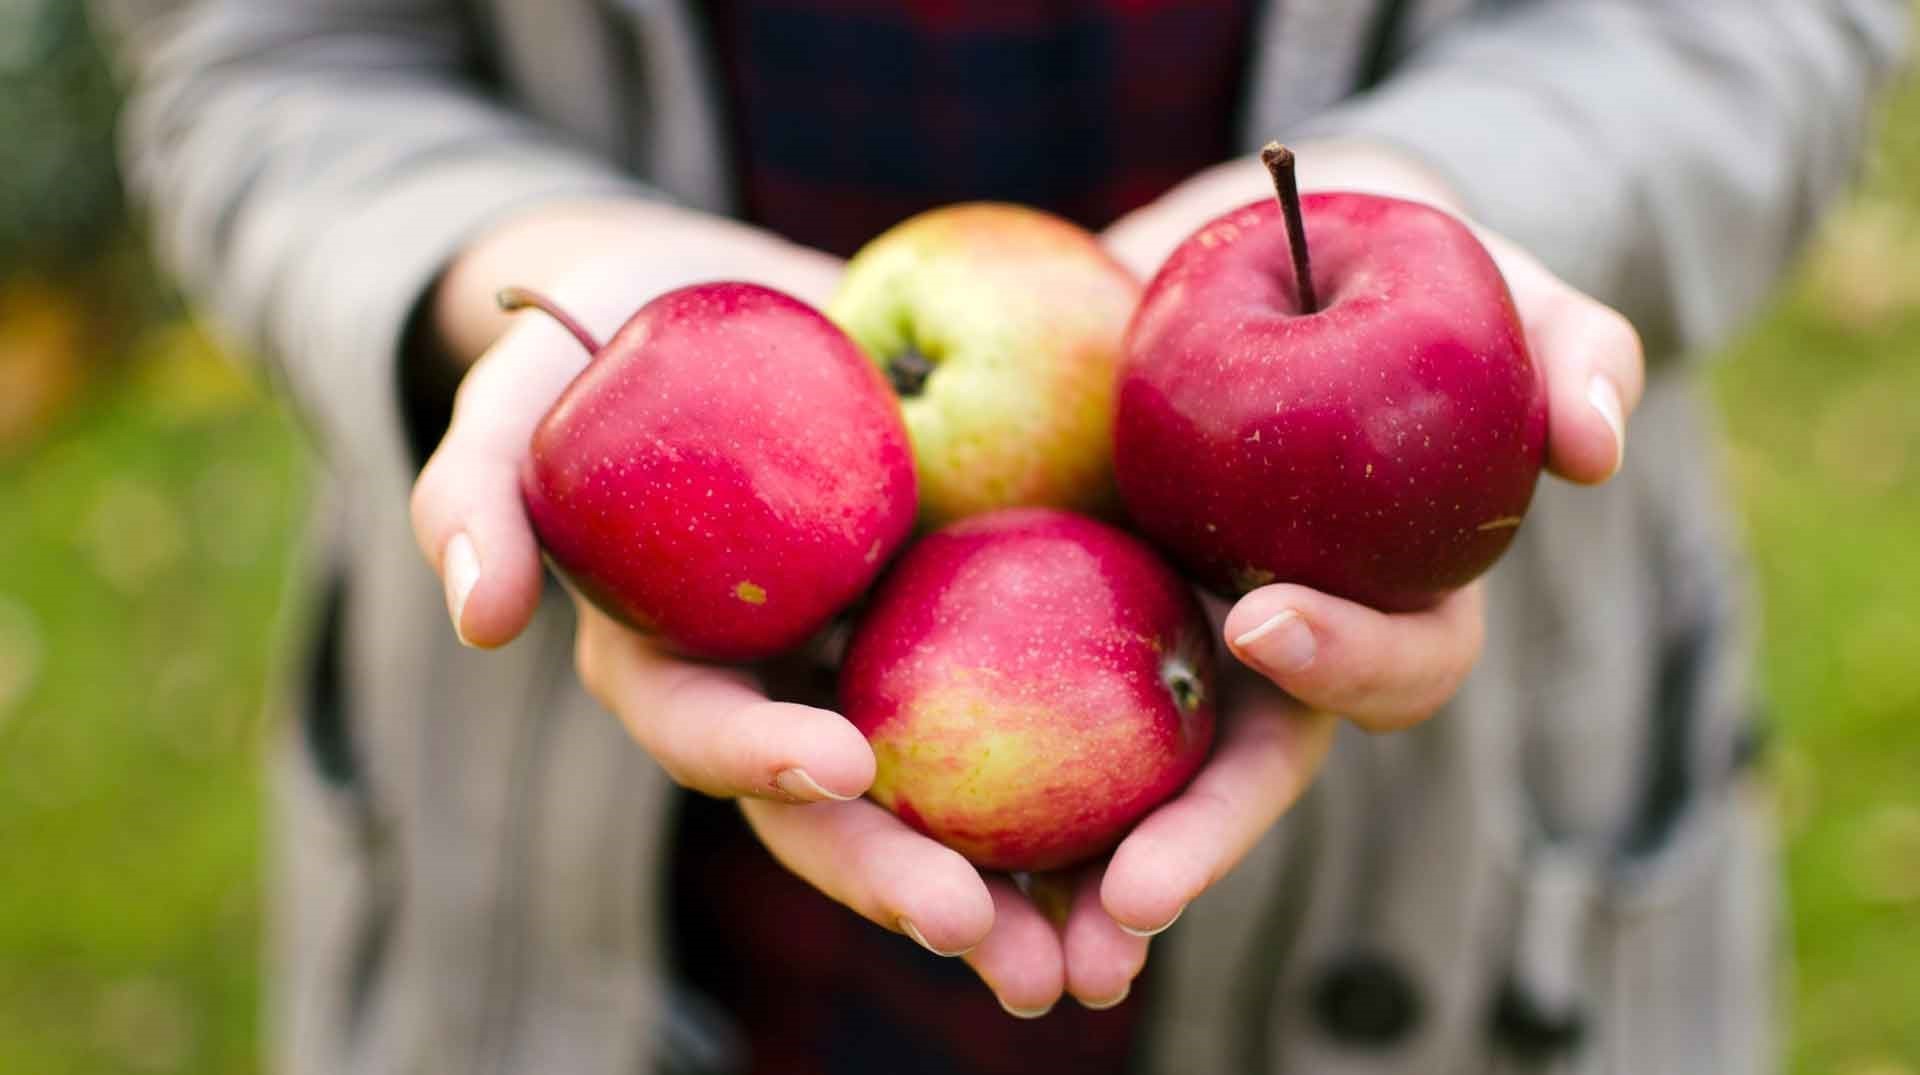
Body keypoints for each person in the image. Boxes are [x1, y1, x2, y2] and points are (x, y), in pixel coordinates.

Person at [97, 1, 1906, 1072]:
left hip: (1457, 855)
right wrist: (507, 265)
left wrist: (1449, 206)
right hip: (575, 866)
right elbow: (263, 54)